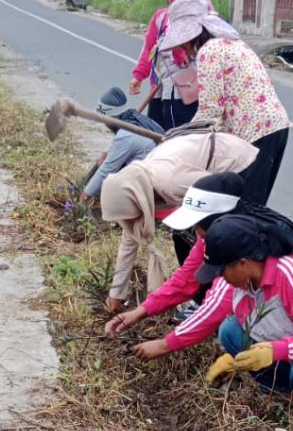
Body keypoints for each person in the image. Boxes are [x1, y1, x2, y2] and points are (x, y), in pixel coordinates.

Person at [133, 210, 293, 431]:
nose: (218, 278)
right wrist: (169, 344)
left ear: (242, 263)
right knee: (231, 331)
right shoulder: (240, 281)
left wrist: (273, 351)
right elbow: (209, 314)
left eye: (221, 271)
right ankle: (289, 393)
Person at [104, 171, 293, 339]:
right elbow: (186, 279)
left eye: (198, 225)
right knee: (231, 328)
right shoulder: (220, 235)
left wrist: (164, 344)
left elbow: (217, 304)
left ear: (218, 219)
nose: (195, 232)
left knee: (229, 329)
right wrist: (140, 312)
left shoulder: (247, 248)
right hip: (279, 321)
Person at [100, 131, 258, 314]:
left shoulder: (169, 181)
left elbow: (217, 192)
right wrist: (116, 293)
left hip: (236, 166)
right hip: (213, 182)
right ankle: (206, 303)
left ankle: (226, 307)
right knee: (186, 240)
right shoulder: (139, 187)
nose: (130, 221)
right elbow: (129, 240)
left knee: (225, 245)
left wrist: (209, 238)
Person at [160, 0, 290, 204]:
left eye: (183, 42)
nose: (183, 48)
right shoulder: (232, 44)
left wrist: (180, 139)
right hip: (275, 126)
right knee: (254, 203)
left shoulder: (208, 52)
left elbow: (210, 112)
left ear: (194, 34)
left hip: (254, 133)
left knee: (245, 208)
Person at [129, 0, 210, 133]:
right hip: (161, 91)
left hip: (186, 93)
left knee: (178, 138)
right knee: (154, 135)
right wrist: (138, 75)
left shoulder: (202, 17)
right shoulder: (161, 17)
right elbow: (149, 48)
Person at [82, 87, 159, 201]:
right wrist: (106, 152)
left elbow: (108, 168)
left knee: (112, 179)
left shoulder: (126, 135)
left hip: (153, 181)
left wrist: (86, 194)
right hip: (155, 167)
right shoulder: (135, 118)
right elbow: (117, 144)